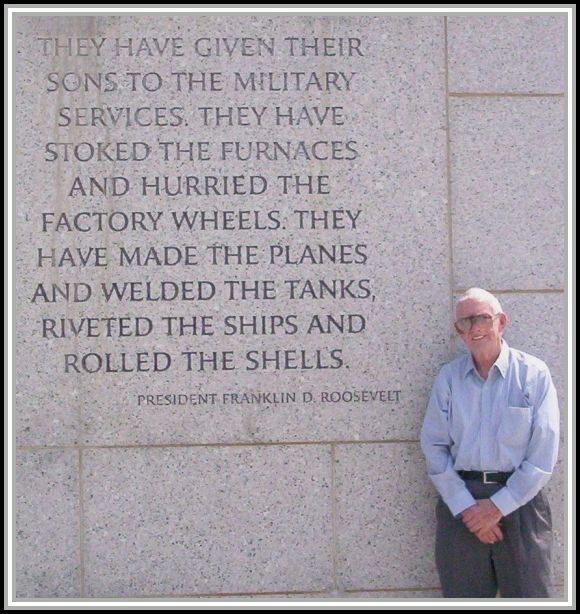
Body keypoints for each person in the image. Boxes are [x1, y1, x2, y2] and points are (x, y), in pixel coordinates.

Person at [420, 288, 560, 598]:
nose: (475, 328)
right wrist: (467, 507)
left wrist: (497, 507)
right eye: (466, 322)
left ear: (501, 322)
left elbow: (542, 455)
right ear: (459, 331)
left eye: (483, 318)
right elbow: (434, 446)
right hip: (462, 507)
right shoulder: (448, 379)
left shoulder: (533, 375)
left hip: (521, 505)